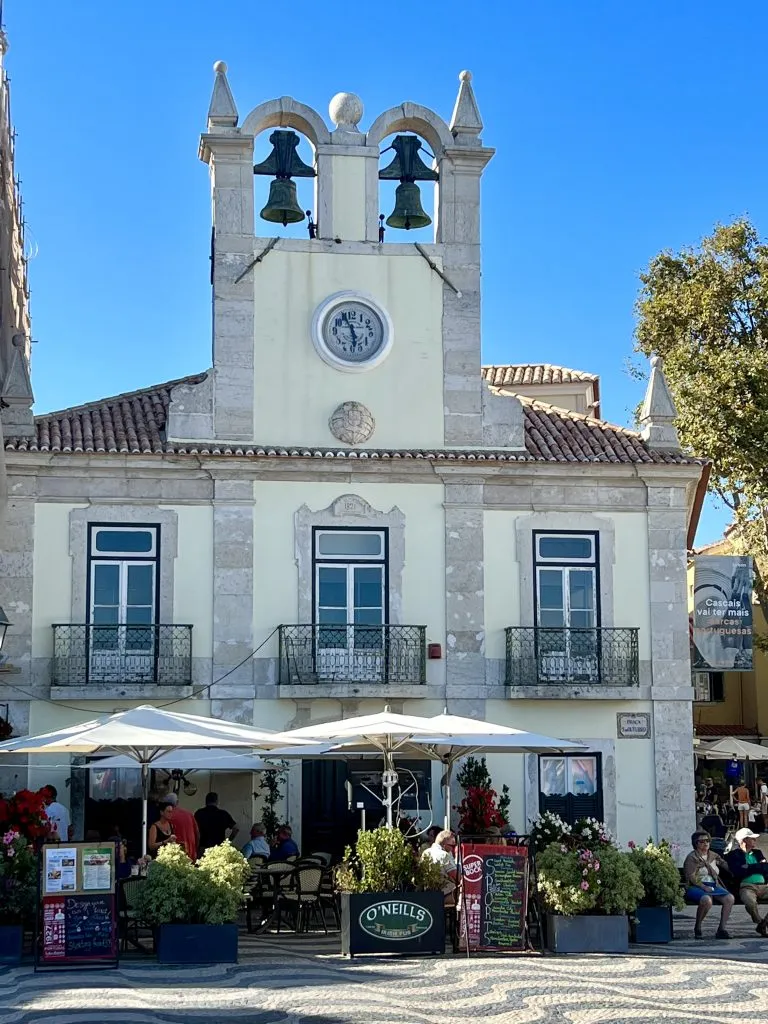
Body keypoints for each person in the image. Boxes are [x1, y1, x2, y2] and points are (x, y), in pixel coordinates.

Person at [683, 830, 734, 939]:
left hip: (713, 885)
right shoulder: (692, 858)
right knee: (706, 900)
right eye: (702, 841)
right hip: (696, 886)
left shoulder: (713, 855)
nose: (706, 843)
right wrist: (704, 887)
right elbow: (691, 877)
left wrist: (733, 867)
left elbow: (725, 865)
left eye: (707, 841)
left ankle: (722, 929)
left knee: (729, 898)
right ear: (696, 843)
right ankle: (698, 926)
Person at [726, 827, 768, 936]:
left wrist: (748, 867)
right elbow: (738, 872)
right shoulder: (734, 855)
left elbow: (766, 867)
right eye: (752, 839)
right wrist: (758, 867)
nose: (755, 841)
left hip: (763, 885)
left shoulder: (758, 853)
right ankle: (761, 922)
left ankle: (765, 923)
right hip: (747, 886)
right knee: (750, 903)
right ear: (744, 840)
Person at [421, 829, 458, 904]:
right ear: (444, 843)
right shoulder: (444, 855)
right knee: (467, 894)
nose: (453, 848)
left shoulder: (426, 852)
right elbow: (456, 877)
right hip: (444, 894)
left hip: (428, 893)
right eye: (452, 845)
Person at [163, 793, 200, 858]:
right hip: (190, 852)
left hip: (174, 854)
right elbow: (197, 833)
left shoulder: (166, 816)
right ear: (177, 802)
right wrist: (195, 849)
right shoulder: (189, 814)